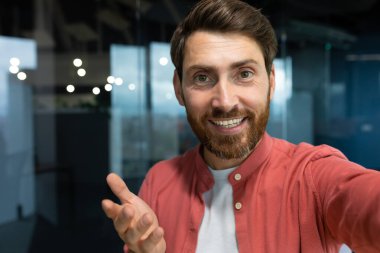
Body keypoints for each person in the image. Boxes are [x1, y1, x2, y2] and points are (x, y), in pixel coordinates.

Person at [102, 0, 380, 252]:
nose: (224, 101)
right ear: (179, 89)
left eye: (244, 74)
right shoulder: (159, 182)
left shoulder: (314, 176)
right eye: (201, 77)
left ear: (271, 83)